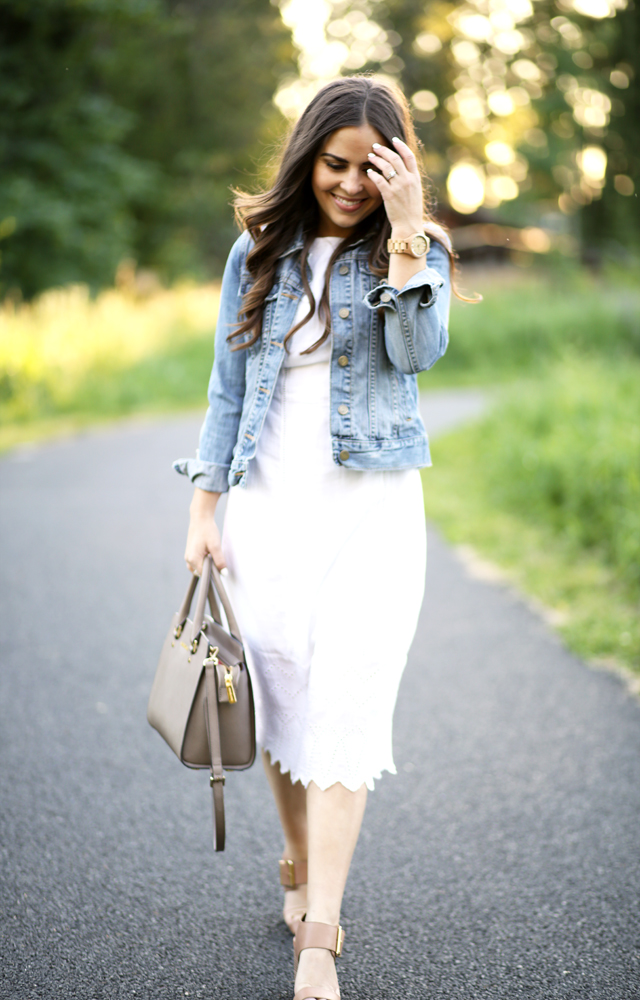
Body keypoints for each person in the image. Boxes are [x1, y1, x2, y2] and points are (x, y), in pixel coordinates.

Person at [175, 75, 452, 1000]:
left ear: (396, 168)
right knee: (284, 695)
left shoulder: (418, 254)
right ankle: (296, 863)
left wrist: (408, 233)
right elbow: (225, 389)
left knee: (346, 708)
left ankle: (320, 940)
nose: (349, 185)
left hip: (371, 515)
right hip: (268, 510)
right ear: (308, 158)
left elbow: (419, 354)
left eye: (370, 169)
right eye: (335, 164)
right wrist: (203, 512)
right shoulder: (257, 250)